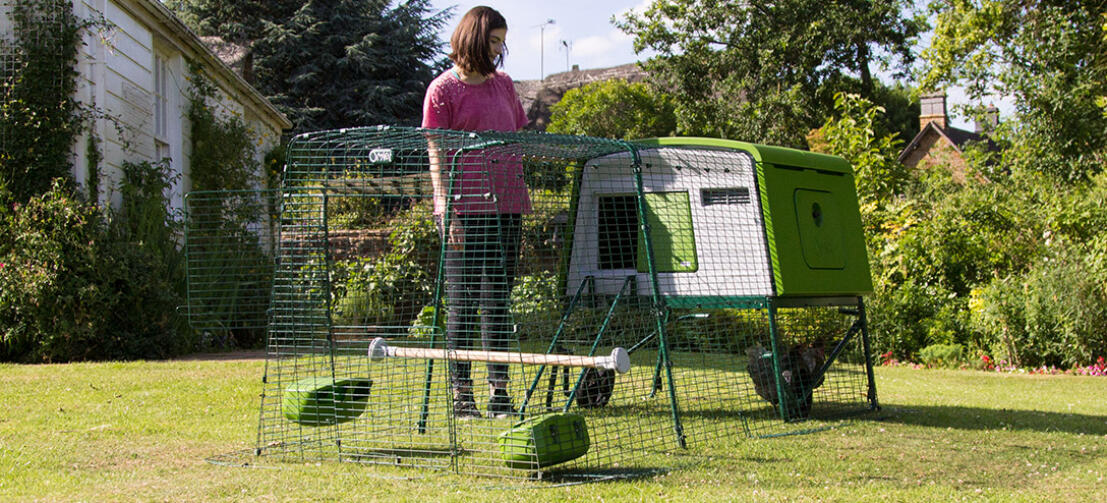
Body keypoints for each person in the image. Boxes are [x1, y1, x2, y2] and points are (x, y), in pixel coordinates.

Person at [422, 6, 529, 419]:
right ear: (473, 39)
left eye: (502, 42)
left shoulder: (504, 86)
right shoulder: (443, 90)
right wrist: (444, 208)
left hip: (508, 205)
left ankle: (498, 392)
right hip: (464, 210)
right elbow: (436, 150)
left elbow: (516, 133)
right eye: (493, 41)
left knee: (497, 300)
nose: (500, 51)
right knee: (463, 301)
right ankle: (461, 394)